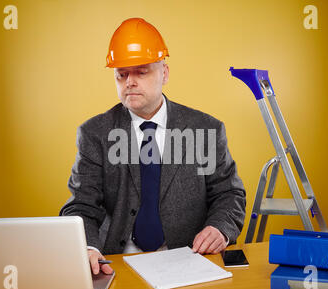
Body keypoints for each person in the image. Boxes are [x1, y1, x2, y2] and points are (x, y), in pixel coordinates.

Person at [60, 18, 246, 275]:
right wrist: (89, 247)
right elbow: (81, 205)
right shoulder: (95, 133)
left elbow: (229, 194)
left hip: (189, 259)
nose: (130, 82)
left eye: (141, 71)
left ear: (165, 73)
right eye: (122, 74)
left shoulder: (206, 129)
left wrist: (220, 228)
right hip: (116, 263)